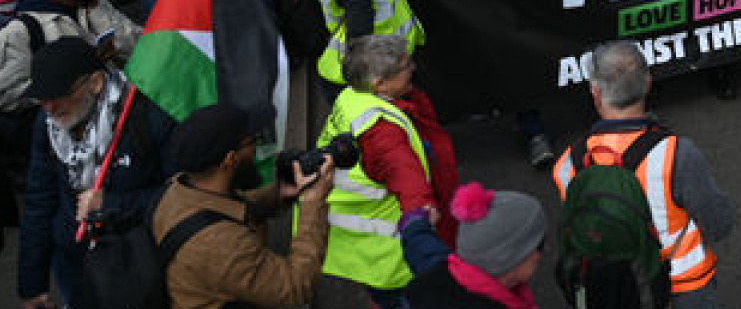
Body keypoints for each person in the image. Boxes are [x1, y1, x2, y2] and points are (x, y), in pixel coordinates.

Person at [552, 41, 736, 308]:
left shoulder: (567, 165)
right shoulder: (677, 154)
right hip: (683, 284)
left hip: (613, 289)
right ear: (648, 84)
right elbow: (720, 223)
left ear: (595, 93)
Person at [18, 38, 177, 309]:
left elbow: (183, 196)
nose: (49, 108)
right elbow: (39, 200)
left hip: (141, 261)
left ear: (95, 83)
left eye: (57, 95)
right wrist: (32, 285)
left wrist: (112, 205)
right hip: (76, 265)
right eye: (42, 98)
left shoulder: (147, 113)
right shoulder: (47, 125)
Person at [313, 35, 453, 309]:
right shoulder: (382, 133)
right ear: (379, 84)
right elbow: (408, 181)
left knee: (381, 298)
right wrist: (424, 223)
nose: (412, 68)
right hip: (388, 254)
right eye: (405, 66)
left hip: (360, 243)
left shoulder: (352, 96)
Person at [154, 102, 335, 309]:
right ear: (230, 159)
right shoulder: (223, 245)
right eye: (253, 142)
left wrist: (279, 194)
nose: (256, 149)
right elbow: (295, 288)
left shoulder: (176, 189)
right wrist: (313, 202)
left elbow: (222, 209)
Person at [0, 0, 140, 112]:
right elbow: (9, 97)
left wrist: (97, 10)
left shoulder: (93, 4)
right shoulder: (19, 32)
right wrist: (71, 84)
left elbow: (140, 49)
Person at [398, 183, 545, 309]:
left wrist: (415, 225)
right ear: (513, 259)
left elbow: (421, 248)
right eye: (538, 245)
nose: (539, 254)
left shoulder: (436, 274)